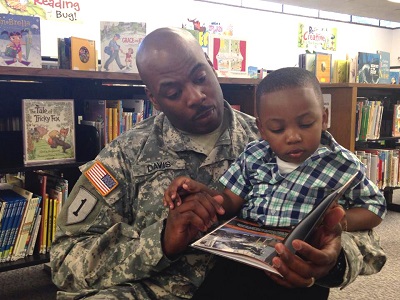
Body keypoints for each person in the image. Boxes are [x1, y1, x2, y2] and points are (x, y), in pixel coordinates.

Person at [50, 27, 386, 299]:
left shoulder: (278, 136)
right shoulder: (123, 157)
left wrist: (334, 260)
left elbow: (363, 231)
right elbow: (65, 262)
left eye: (199, 77)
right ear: (152, 98)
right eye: (173, 91)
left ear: (211, 65)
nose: (196, 96)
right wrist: (162, 240)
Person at [164, 67, 386, 234]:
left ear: (324, 118)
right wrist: (201, 194)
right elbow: (229, 202)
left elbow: (374, 206)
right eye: (277, 129)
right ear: (262, 129)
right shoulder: (253, 155)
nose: (293, 137)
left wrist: (341, 221)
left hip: (299, 257)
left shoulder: (343, 163)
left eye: (306, 124)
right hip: (247, 250)